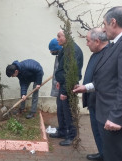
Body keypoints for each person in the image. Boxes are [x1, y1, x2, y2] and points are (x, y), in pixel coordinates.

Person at [73, 6, 122, 161]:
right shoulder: (113, 45)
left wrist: (116, 117)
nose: (103, 28)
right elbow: (106, 79)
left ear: (113, 22)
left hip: (112, 115)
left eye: (104, 24)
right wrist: (86, 87)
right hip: (104, 111)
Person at [49, 30, 83, 146]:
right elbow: (63, 68)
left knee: (68, 112)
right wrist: (59, 81)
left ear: (67, 36)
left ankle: (71, 136)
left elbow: (71, 73)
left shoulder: (73, 51)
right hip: (63, 84)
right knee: (61, 111)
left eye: (59, 36)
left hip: (68, 86)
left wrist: (64, 91)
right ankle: (62, 131)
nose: (57, 39)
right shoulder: (66, 48)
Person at [83, 28, 108, 161]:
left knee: (103, 133)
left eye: (88, 41)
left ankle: (106, 155)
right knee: (96, 131)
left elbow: (103, 81)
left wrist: (85, 88)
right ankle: (102, 153)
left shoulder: (108, 54)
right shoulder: (96, 53)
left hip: (102, 102)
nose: (86, 44)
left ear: (97, 41)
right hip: (93, 100)